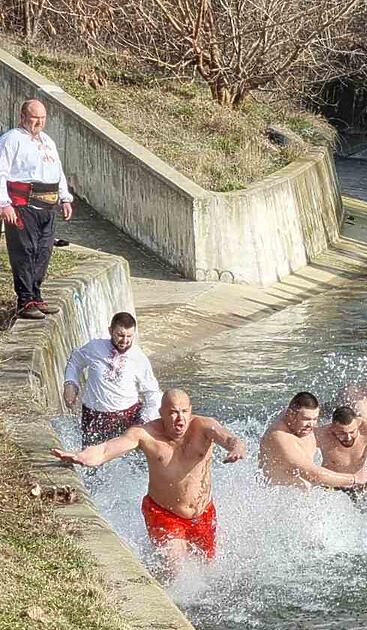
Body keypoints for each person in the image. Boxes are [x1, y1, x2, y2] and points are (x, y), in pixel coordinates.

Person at [50, 389, 246, 574]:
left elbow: (230, 439)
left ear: (191, 410)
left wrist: (236, 448)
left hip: (203, 513)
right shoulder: (145, 434)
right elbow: (106, 450)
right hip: (164, 513)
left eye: (184, 412)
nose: (180, 419)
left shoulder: (204, 427)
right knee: (174, 568)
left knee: (206, 568)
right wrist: (81, 457)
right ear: (161, 413)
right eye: (173, 413)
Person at [0, 99, 74, 320]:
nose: (39, 123)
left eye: (42, 119)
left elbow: (57, 171)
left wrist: (65, 198)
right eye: (34, 118)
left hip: (47, 207)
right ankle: (25, 300)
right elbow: (1, 172)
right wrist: (4, 204)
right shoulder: (11, 139)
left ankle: (36, 294)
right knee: (25, 251)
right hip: (22, 206)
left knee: (43, 251)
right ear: (23, 117)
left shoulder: (47, 141)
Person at [63, 312, 163, 446]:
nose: (125, 340)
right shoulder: (95, 347)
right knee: (90, 461)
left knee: (129, 462)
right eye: (120, 335)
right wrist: (70, 384)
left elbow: (153, 392)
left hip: (127, 418)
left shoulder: (138, 357)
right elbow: (75, 361)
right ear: (110, 331)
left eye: (129, 336)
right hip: (94, 417)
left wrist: (144, 421)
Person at [258, 392, 367, 489]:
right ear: (290, 414)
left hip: (305, 497)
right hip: (279, 501)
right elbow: (313, 474)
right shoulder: (279, 437)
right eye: (306, 419)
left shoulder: (300, 424)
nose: (312, 424)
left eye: (315, 419)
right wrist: (354, 479)